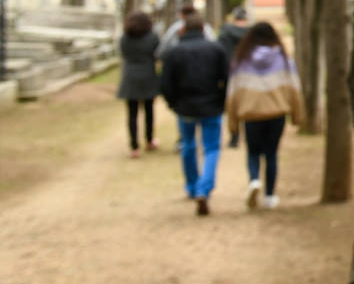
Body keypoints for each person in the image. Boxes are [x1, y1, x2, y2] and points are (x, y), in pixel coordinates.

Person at [225, 22, 303, 210]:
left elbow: (233, 92)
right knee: (271, 153)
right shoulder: (284, 59)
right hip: (276, 114)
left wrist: (233, 123)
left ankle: (253, 180)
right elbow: (294, 88)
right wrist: (297, 115)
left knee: (252, 152)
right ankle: (270, 196)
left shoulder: (241, 60)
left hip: (251, 114)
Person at [160, 12, 229, 215]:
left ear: (183, 30)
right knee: (211, 149)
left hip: (185, 108)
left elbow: (165, 83)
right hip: (212, 107)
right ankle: (203, 188)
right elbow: (226, 79)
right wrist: (222, 101)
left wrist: (173, 104)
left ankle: (192, 187)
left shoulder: (174, 52)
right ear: (202, 29)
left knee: (188, 146)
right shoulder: (216, 49)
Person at [116, 11, 160, 158]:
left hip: (130, 76)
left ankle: (134, 146)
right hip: (147, 74)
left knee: (132, 113)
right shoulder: (152, 37)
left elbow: (122, 52)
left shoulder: (125, 38)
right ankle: (149, 140)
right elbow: (157, 54)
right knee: (149, 110)